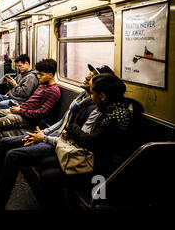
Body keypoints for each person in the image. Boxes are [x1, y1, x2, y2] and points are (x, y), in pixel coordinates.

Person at [0, 64, 114, 209]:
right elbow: (62, 123)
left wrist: (44, 137)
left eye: (94, 76)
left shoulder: (94, 108)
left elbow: (77, 138)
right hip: (52, 135)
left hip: (61, 143)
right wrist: (45, 132)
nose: (88, 76)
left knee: (13, 155)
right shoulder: (82, 97)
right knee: (5, 142)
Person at [38, 73, 143, 209]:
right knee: (45, 162)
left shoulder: (117, 115)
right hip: (97, 158)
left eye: (92, 94)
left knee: (48, 176)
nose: (91, 98)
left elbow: (91, 142)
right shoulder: (110, 108)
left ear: (103, 96)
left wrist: (72, 128)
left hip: (103, 170)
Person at [0, 59, 61, 143]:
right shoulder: (42, 85)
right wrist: (20, 106)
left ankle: (3, 146)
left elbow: (41, 112)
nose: (39, 77)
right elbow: (32, 101)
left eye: (42, 75)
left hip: (30, 119)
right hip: (22, 109)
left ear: (50, 75)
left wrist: (20, 110)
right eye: (38, 74)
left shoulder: (53, 91)